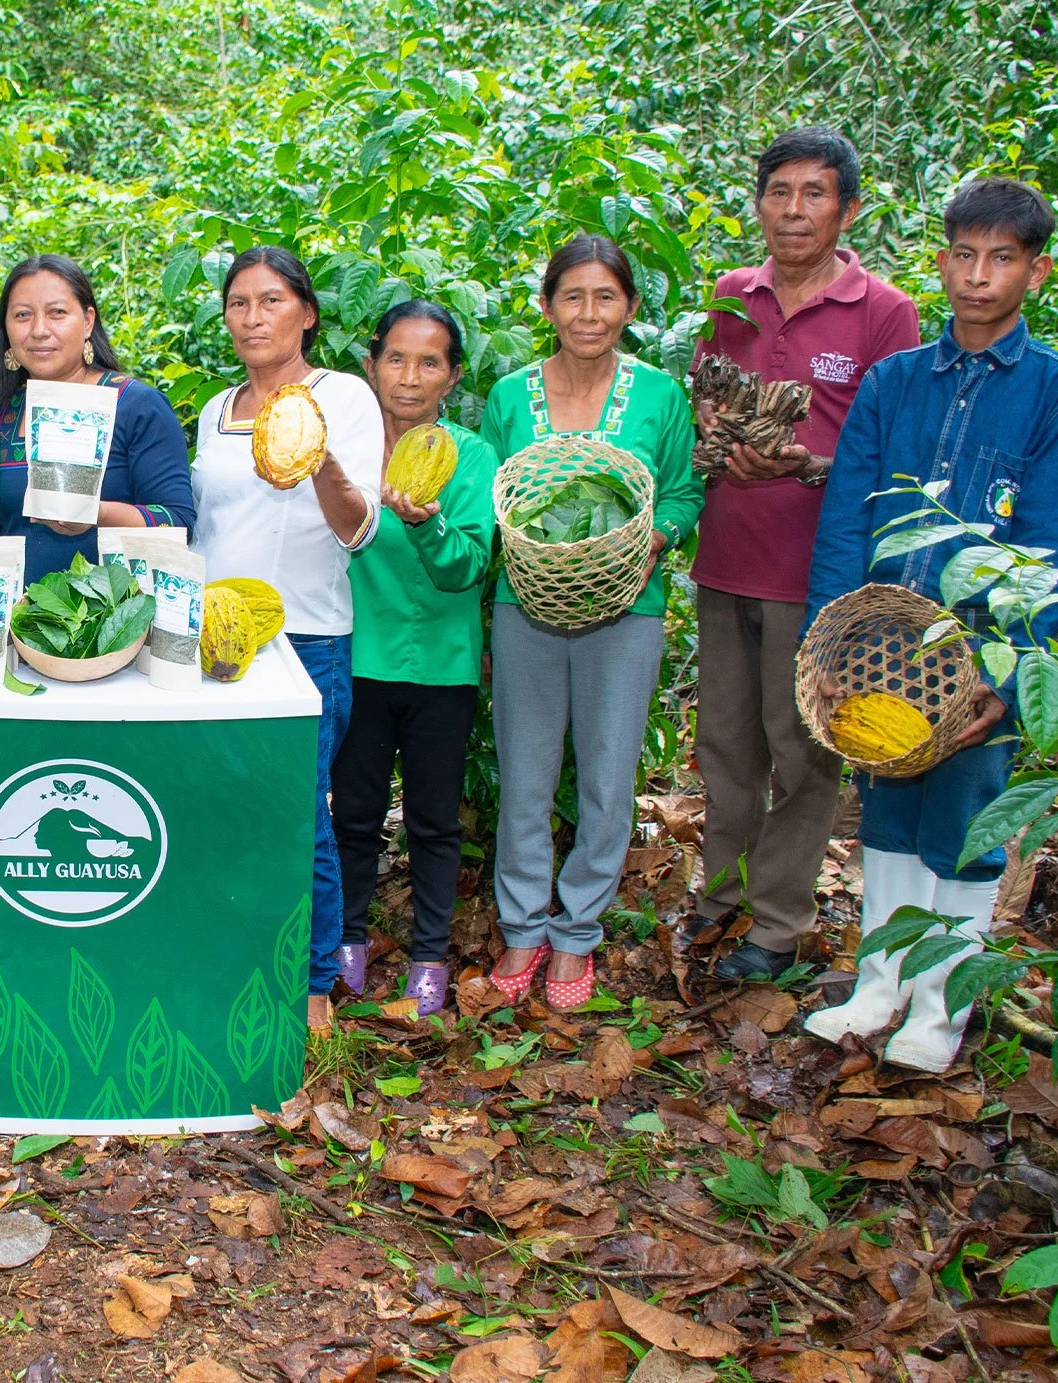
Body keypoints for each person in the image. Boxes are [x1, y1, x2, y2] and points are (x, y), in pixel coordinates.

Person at [802, 178, 1058, 1073]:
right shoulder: (895, 383)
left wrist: (1010, 680)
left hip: (981, 652)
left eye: (1001, 258)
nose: (978, 276)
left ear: (1034, 270)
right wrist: (831, 643)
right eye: (964, 255)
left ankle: (941, 1004)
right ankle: (879, 982)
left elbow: (1051, 546)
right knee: (888, 814)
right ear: (940, 262)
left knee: (966, 825)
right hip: (887, 645)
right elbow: (847, 517)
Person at [686, 128, 922, 981]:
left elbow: (891, 445)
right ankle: (718, 895)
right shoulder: (732, 295)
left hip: (814, 568)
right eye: (778, 192)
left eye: (814, 194)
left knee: (802, 748)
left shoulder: (884, 312)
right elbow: (708, 395)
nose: (793, 210)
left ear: (847, 208)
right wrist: (718, 434)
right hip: (726, 556)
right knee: (725, 744)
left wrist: (808, 465)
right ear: (759, 203)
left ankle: (777, 924)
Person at [482, 234, 703, 1010]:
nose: (588, 312)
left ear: (631, 307)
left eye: (605, 296)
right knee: (527, 774)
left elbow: (680, 496)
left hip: (627, 607)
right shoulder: (512, 396)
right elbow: (494, 497)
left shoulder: (659, 396)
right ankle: (522, 922)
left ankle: (577, 934)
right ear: (547, 306)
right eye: (571, 295)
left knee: (608, 777)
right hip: (527, 607)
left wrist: (653, 540)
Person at [191, 247, 385, 1031]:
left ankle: (309, 989)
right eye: (238, 303)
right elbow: (208, 526)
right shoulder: (216, 407)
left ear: (306, 312)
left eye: (271, 301)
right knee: (220, 808)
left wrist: (319, 461)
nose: (252, 317)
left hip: (305, 638)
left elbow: (359, 527)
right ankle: (231, 958)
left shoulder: (343, 397)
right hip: (218, 642)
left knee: (298, 815)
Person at [330, 302, 497, 1017]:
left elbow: (469, 568)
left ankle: (430, 952)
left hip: (440, 667)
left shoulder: (470, 456)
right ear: (371, 365)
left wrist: (427, 525)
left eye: (430, 362)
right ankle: (348, 938)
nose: (409, 376)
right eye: (396, 358)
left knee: (433, 818)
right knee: (356, 812)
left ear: (453, 376)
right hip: (358, 655)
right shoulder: (346, 449)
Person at [0, 254, 195, 582]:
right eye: (23, 315)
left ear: (87, 321)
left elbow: (178, 521)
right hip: (12, 624)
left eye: (57, 313)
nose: (39, 330)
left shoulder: (137, 406)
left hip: (115, 625)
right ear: (6, 328)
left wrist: (96, 513)